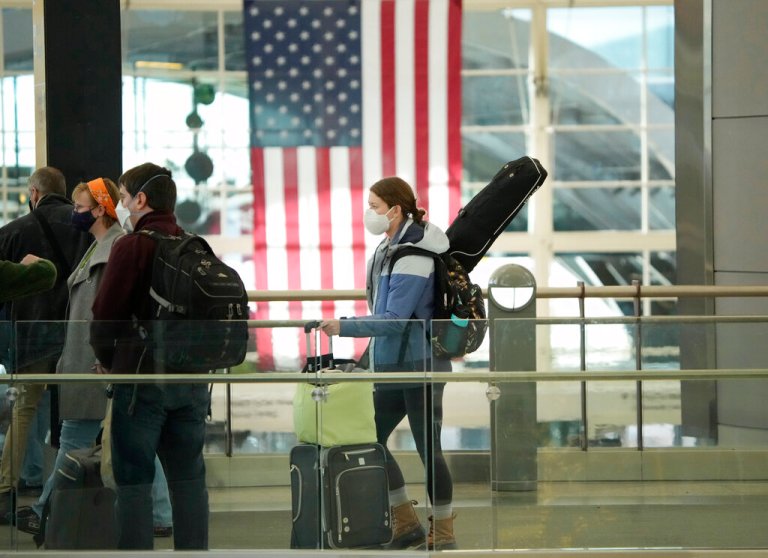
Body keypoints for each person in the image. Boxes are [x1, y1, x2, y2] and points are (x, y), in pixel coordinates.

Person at [13, 178, 172, 540]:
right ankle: (162, 513)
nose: (75, 213)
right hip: (90, 362)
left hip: (94, 365)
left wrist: (103, 356)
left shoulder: (114, 248)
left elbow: (110, 313)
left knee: (77, 438)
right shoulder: (99, 246)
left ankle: (43, 511)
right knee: (128, 440)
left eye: (81, 207)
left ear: (101, 209)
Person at [319, 176, 457, 550]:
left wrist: (344, 327)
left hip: (421, 366)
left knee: (429, 450)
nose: (370, 213)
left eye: (375, 206)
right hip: (395, 365)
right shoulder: (389, 249)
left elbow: (395, 319)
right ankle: (406, 521)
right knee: (370, 437)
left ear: (395, 210)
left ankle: (443, 531)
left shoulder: (414, 255)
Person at [90, 163, 209, 550]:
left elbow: (105, 314)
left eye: (124, 197)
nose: (122, 206)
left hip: (140, 383)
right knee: (189, 481)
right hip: (191, 382)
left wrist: (108, 361)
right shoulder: (194, 244)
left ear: (141, 200)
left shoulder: (133, 246)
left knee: (134, 483)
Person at [0, 167, 92, 522]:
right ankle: (77, 485)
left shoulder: (15, 230)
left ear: (34, 193)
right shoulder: (85, 225)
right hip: (76, 332)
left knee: (24, 410)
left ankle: (6, 489)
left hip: (32, 335)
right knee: (81, 413)